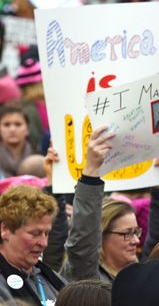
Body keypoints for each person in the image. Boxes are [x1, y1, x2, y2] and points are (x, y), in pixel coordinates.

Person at [61, 126, 141, 282]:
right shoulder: (86, 276)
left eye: (136, 232)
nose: (136, 241)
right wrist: (91, 172)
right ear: (101, 236)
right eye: (127, 233)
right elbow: (84, 242)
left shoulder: (137, 276)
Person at [0, 185, 64, 304]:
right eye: (35, 233)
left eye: (47, 233)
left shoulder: (51, 277)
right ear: (5, 229)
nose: (44, 243)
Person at [0, 106, 35, 178]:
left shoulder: (40, 155)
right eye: (6, 124)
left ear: (27, 129)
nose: (12, 129)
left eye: (18, 124)